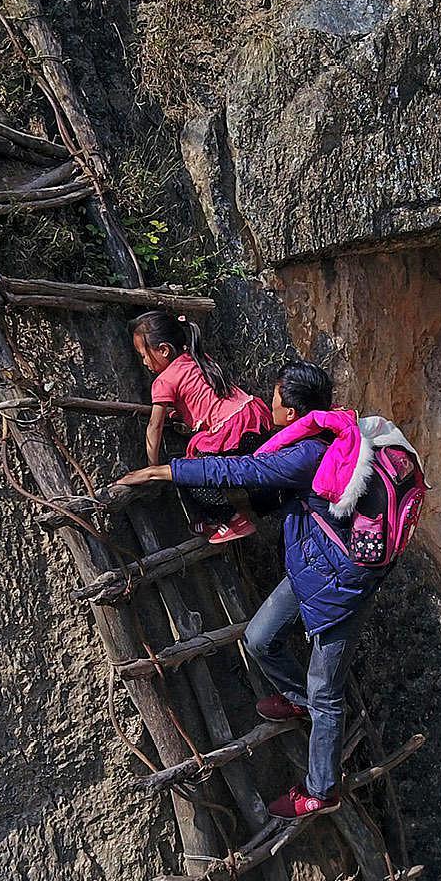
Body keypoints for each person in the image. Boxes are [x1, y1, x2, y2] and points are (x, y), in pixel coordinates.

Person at [116, 362, 384, 820]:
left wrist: (166, 472)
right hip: (314, 565)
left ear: (294, 408)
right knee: (259, 638)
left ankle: (322, 790)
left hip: (344, 583)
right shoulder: (334, 428)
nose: (271, 401)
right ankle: (298, 702)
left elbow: (240, 472)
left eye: (276, 396)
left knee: (326, 690)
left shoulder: (310, 453)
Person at [130, 310, 272, 544]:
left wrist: (153, 468)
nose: (144, 361)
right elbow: (203, 399)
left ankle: (231, 520)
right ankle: (267, 504)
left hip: (230, 429)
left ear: (164, 350)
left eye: (144, 354)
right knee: (253, 471)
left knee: (191, 471)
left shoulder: (163, 382)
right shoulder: (198, 358)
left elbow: (154, 426)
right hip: (253, 418)